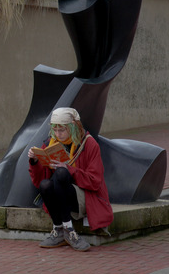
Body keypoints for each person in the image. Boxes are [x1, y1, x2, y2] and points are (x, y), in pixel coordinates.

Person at [28, 107, 112, 251]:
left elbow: (95, 181)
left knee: (61, 173)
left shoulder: (89, 144)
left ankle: (69, 230)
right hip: (59, 195)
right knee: (44, 185)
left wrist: (70, 169)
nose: (58, 134)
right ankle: (58, 229)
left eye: (62, 130)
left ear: (73, 127)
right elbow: (38, 181)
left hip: (83, 196)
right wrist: (34, 161)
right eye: (55, 130)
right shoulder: (50, 143)